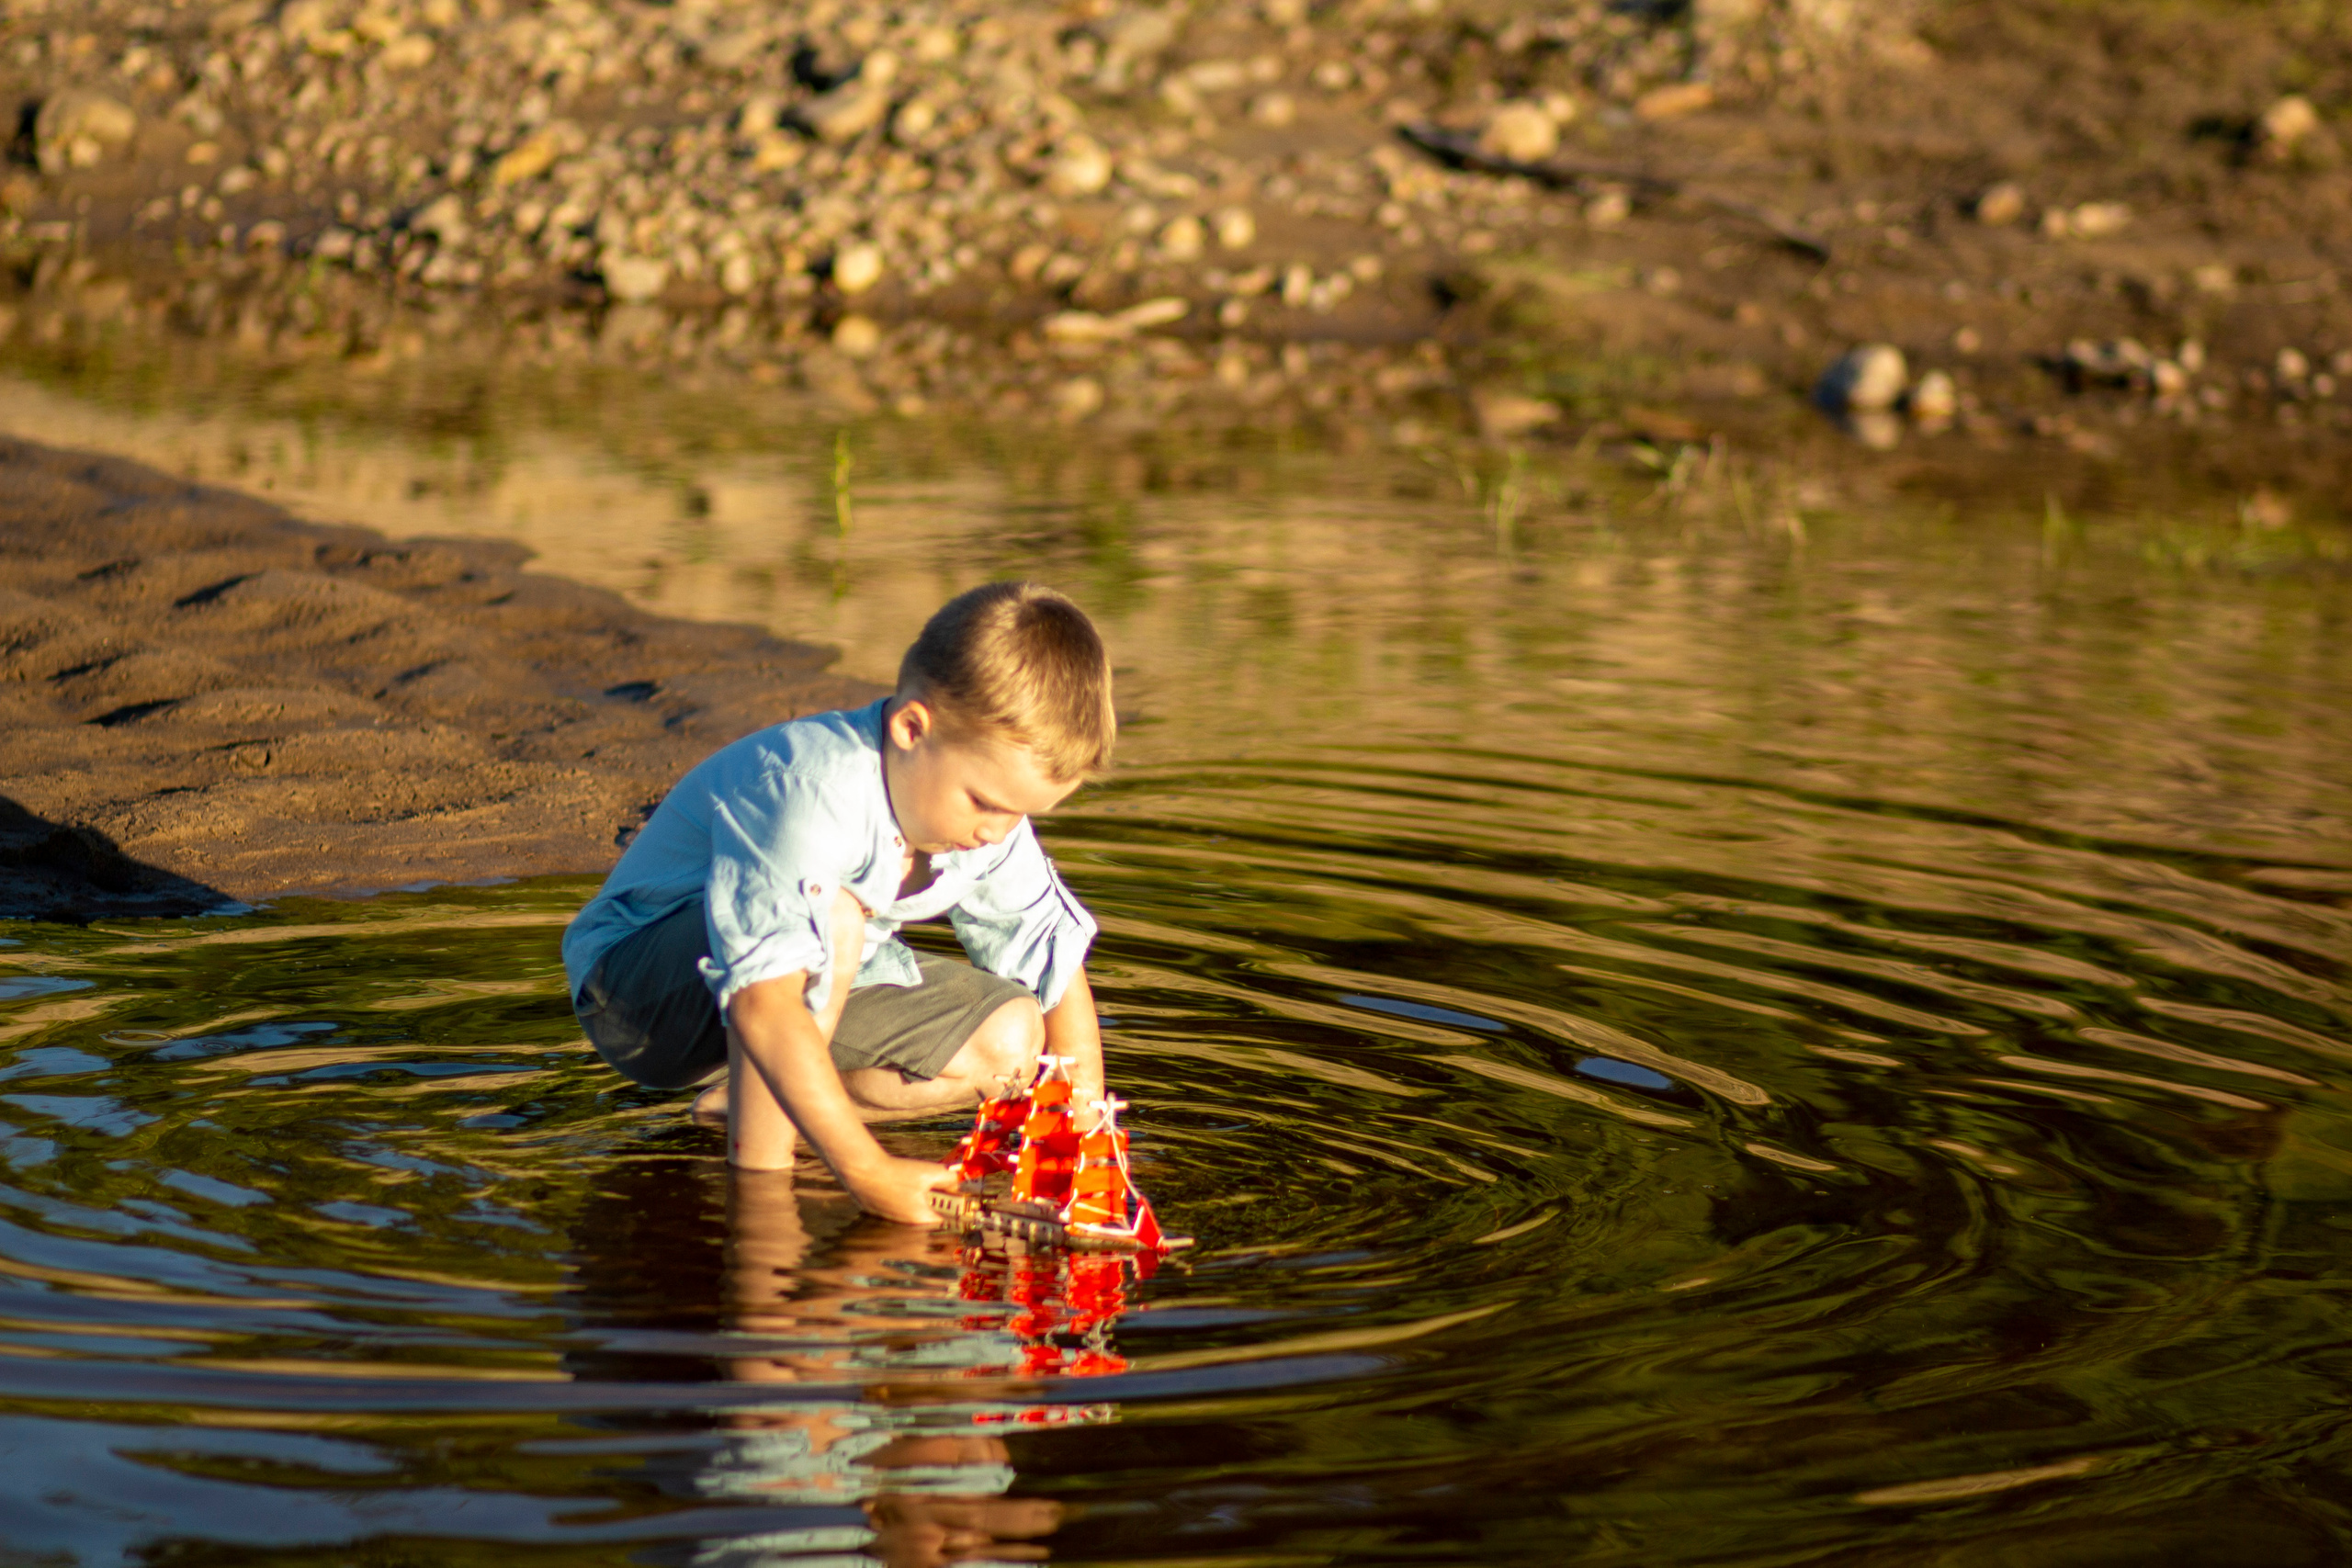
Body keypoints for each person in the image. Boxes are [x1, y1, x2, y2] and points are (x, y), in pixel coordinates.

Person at [562, 581, 1114, 1225]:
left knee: (1013, 1037)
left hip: (801, 982)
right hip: (640, 994)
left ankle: (740, 1107)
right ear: (912, 729)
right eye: (986, 803)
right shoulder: (808, 789)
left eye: (1020, 812)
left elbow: (1053, 964)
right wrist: (870, 1173)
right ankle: (761, 1193)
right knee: (836, 920)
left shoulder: (988, 818)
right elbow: (764, 1000)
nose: (998, 831)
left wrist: (1080, 1160)